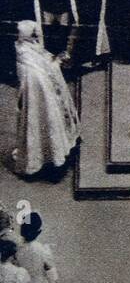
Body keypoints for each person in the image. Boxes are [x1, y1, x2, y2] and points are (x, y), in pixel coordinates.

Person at [13, 20, 80, 178]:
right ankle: (51, 161)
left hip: (44, 93)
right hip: (39, 97)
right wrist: (55, 64)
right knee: (42, 123)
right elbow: (40, 71)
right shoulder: (24, 54)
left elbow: (45, 59)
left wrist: (55, 61)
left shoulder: (29, 46)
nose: (37, 36)